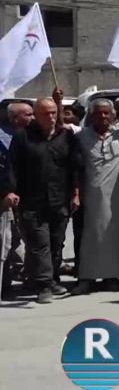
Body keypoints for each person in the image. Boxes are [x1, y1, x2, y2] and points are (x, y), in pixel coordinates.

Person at [7, 95, 83, 303]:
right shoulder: (23, 137)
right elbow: (12, 166)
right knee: (40, 244)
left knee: (56, 244)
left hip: (60, 200)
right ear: (36, 116)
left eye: (53, 113)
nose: (50, 117)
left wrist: (76, 194)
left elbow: (74, 168)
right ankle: (43, 286)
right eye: (44, 113)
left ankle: (51, 279)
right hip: (32, 201)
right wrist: (11, 191)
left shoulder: (66, 136)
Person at [70, 98, 119, 295]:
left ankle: (113, 277)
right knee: (90, 236)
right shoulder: (81, 136)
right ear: (91, 116)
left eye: (106, 113)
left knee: (116, 236)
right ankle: (86, 278)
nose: (102, 116)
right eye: (98, 113)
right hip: (92, 196)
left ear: (113, 116)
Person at [0, 101, 33, 301]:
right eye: (28, 115)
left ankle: (13, 279)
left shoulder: (32, 136)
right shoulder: (4, 137)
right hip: (6, 199)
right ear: (15, 118)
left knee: (14, 241)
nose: (32, 118)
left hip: (25, 198)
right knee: (5, 242)